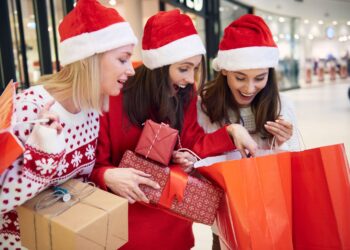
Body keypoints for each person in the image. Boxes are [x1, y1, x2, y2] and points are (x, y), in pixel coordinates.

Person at [90, 10, 257, 250]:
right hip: (126, 224)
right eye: (183, 69)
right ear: (159, 64)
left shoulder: (184, 94)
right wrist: (107, 175)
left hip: (172, 214)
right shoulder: (114, 95)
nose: (190, 79)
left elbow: (192, 140)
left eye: (195, 69)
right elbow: (94, 166)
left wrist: (231, 132)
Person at [0, 0, 137, 248]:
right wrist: (42, 155)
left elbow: (76, 186)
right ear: (89, 59)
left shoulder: (91, 112)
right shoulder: (29, 109)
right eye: (123, 59)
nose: (131, 70)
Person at [197, 14, 300, 249]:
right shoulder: (204, 104)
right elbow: (197, 154)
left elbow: (293, 163)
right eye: (240, 77)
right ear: (224, 70)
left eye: (260, 78)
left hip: (272, 211)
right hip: (226, 214)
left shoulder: (281, 103)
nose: (249, 88)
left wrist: (284, 141)